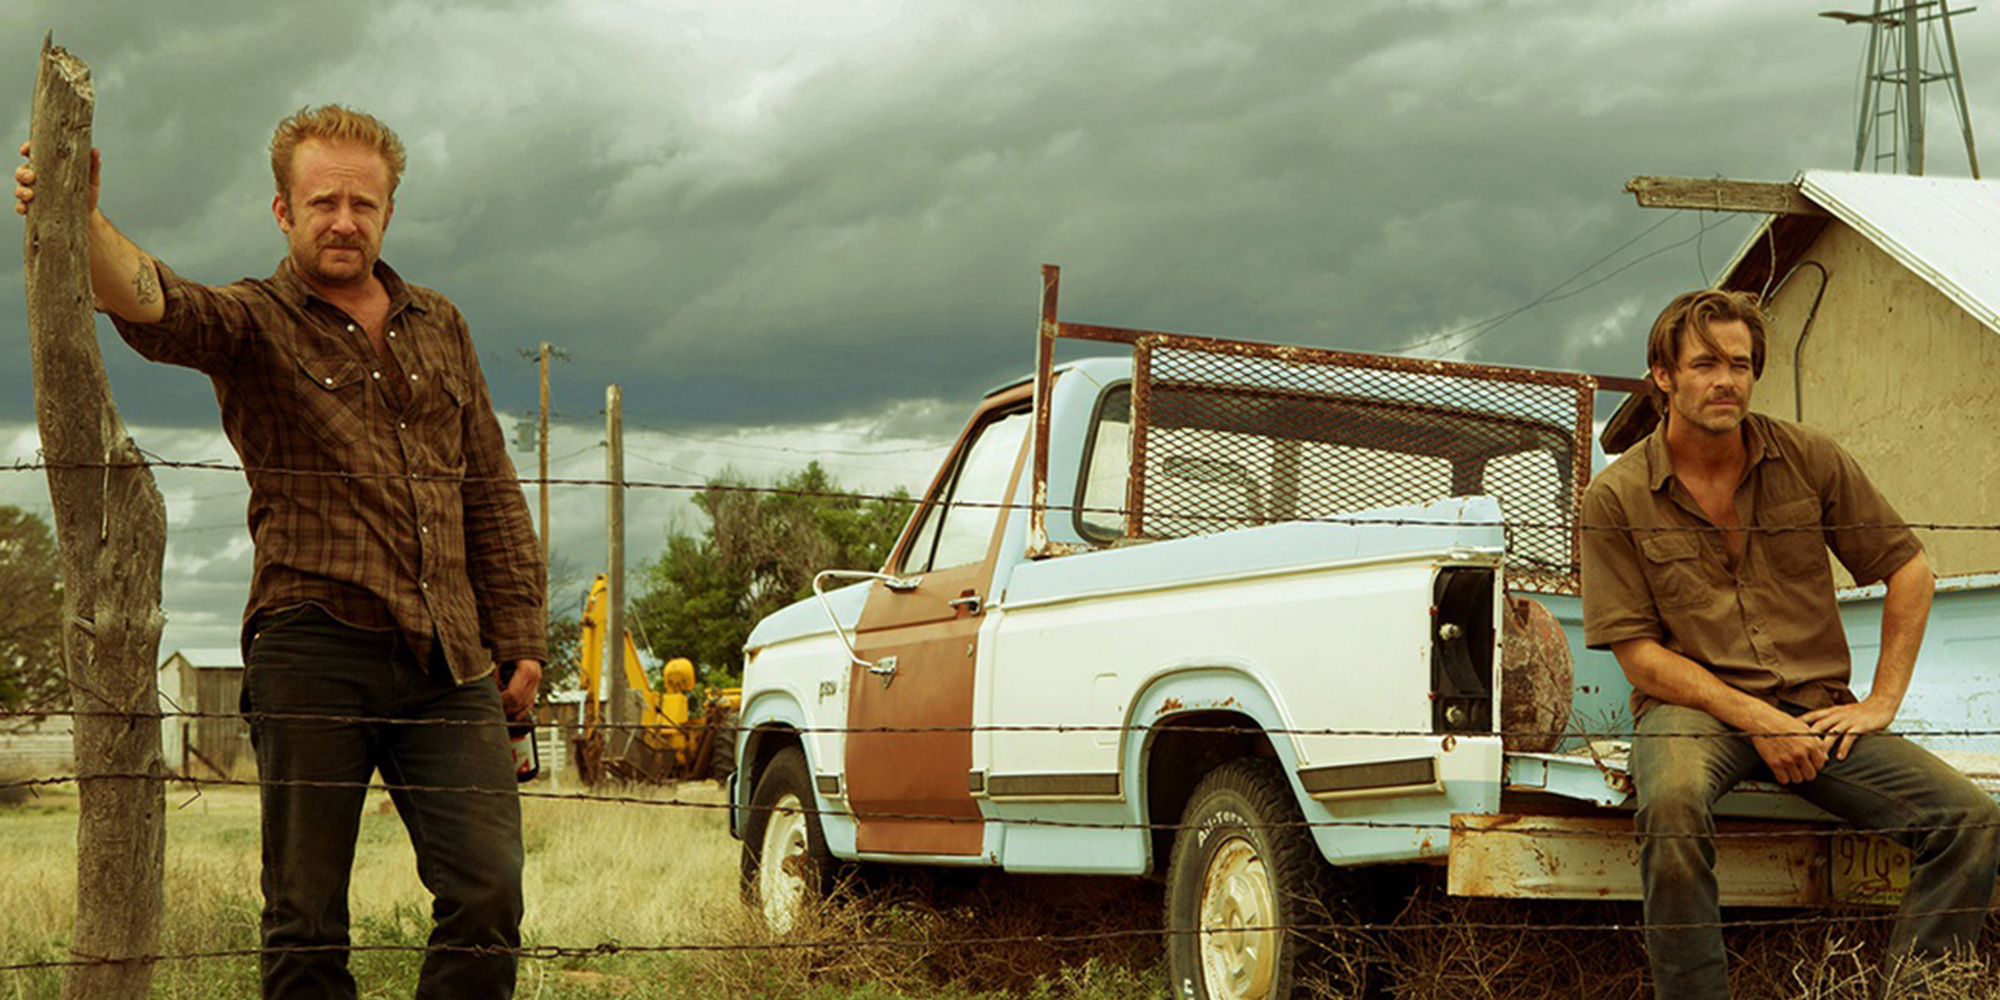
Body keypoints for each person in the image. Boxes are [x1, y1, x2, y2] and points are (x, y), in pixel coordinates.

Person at [16, 106, 546, 999]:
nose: (345, 220)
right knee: (305, 916)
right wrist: (76, 218)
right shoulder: (257, 322)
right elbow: (157, 304)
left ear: (388, 212)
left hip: (450, 658)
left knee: (488, 894)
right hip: (315, 646)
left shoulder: (440, 323)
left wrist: (522, 633)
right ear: (282, 211)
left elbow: (489, 485)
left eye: (364, 204)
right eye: (323, 201)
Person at [1580, 289, 2000, 999]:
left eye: (1741, 365)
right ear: (1662, 375)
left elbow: (1909, 570)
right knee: (1672, 807)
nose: (1727, 381)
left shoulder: (1809, 457)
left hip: (1816, 710)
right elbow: (1638, 654)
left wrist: (1882, 700)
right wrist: (1758, 719)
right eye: (1706, 364)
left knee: (1970, 821)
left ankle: (1921, 991)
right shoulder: (1617, 496)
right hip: (1694, 712)